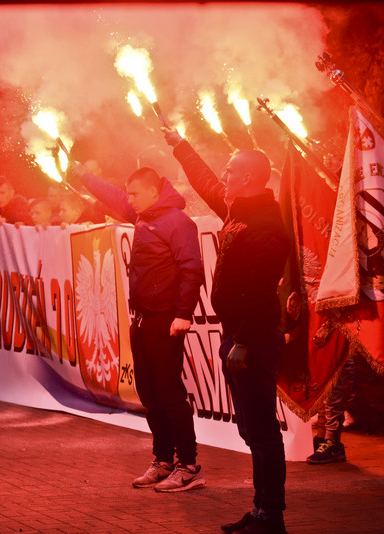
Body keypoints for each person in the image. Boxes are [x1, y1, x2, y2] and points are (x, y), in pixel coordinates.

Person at [164, 127, 290, 533]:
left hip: (249, 340)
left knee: (262, 429)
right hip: (236, 337)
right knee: (250, 427)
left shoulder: (267, 225)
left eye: (231, 169)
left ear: (249, 178)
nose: (225, 174)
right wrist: (180, 144)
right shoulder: (239, 211)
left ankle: (270, 516)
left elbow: (259, 290)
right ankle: (260, 511)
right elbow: (205, 183)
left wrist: (245, 342)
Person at [73, 163, 206, 492]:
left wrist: (183, 314)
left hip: (165, 319)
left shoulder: (178, 222)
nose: (129, 199)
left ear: (153, 191)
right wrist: (84, 176)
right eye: (129, 193)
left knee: (170, 394)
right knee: (149, 393)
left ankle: (188, 466)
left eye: (135, 193)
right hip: (143, 318)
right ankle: (163, 461)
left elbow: (192, 269)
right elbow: (114, 195)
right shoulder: (144, 216)